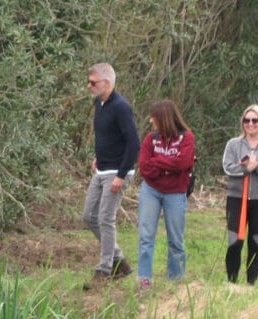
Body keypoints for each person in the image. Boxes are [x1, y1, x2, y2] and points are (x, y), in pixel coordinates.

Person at [82, 63, 138, 285]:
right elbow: (106, 136)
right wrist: (98, 157)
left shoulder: (121, 107)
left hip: (117, 172)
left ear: (106, 83)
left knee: (105, 218)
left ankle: (104, 271)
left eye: (93, 82)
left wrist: (121, 175)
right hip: (101, 169)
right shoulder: (99, 103)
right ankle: (119, 261)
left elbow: (133, 143)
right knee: (89, 216)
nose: (89, 86)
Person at [136, 99, 195, 288]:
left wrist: (157, 161)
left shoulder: (186, 138)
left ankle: (175, 281)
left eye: (154, 117)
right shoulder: (150, 139)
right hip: (151, 190)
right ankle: (144, 279)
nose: (151, 121)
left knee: (176, 239)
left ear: (164, 118)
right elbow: (144, 167)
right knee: (146, 236)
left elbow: (183, 163)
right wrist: (169, 165)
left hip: (176, 193)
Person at [222, 104, 258, 285]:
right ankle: (232, 282)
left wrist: (255, 167)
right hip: (236, 199)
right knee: (234, 241)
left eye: (255, 120)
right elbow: (227, 167)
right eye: (247, 120)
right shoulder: (233, 144)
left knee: (256, 242)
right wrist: (245, 169)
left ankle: (251, 283)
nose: (250, 124)